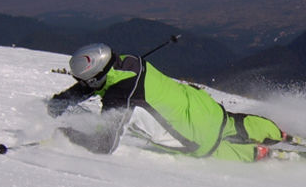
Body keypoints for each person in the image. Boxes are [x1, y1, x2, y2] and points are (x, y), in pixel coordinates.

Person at [47, 42, 285, 162]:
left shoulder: (119, 99)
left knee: (216, 150)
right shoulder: (129, 62)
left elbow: (104, 145)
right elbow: (96, 84)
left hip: (194, 136)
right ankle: (278, 133)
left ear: (95, 77)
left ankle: (265, 155)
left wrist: (68, 134)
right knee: (232, 123)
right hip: (205, 107)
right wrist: (62, 102)